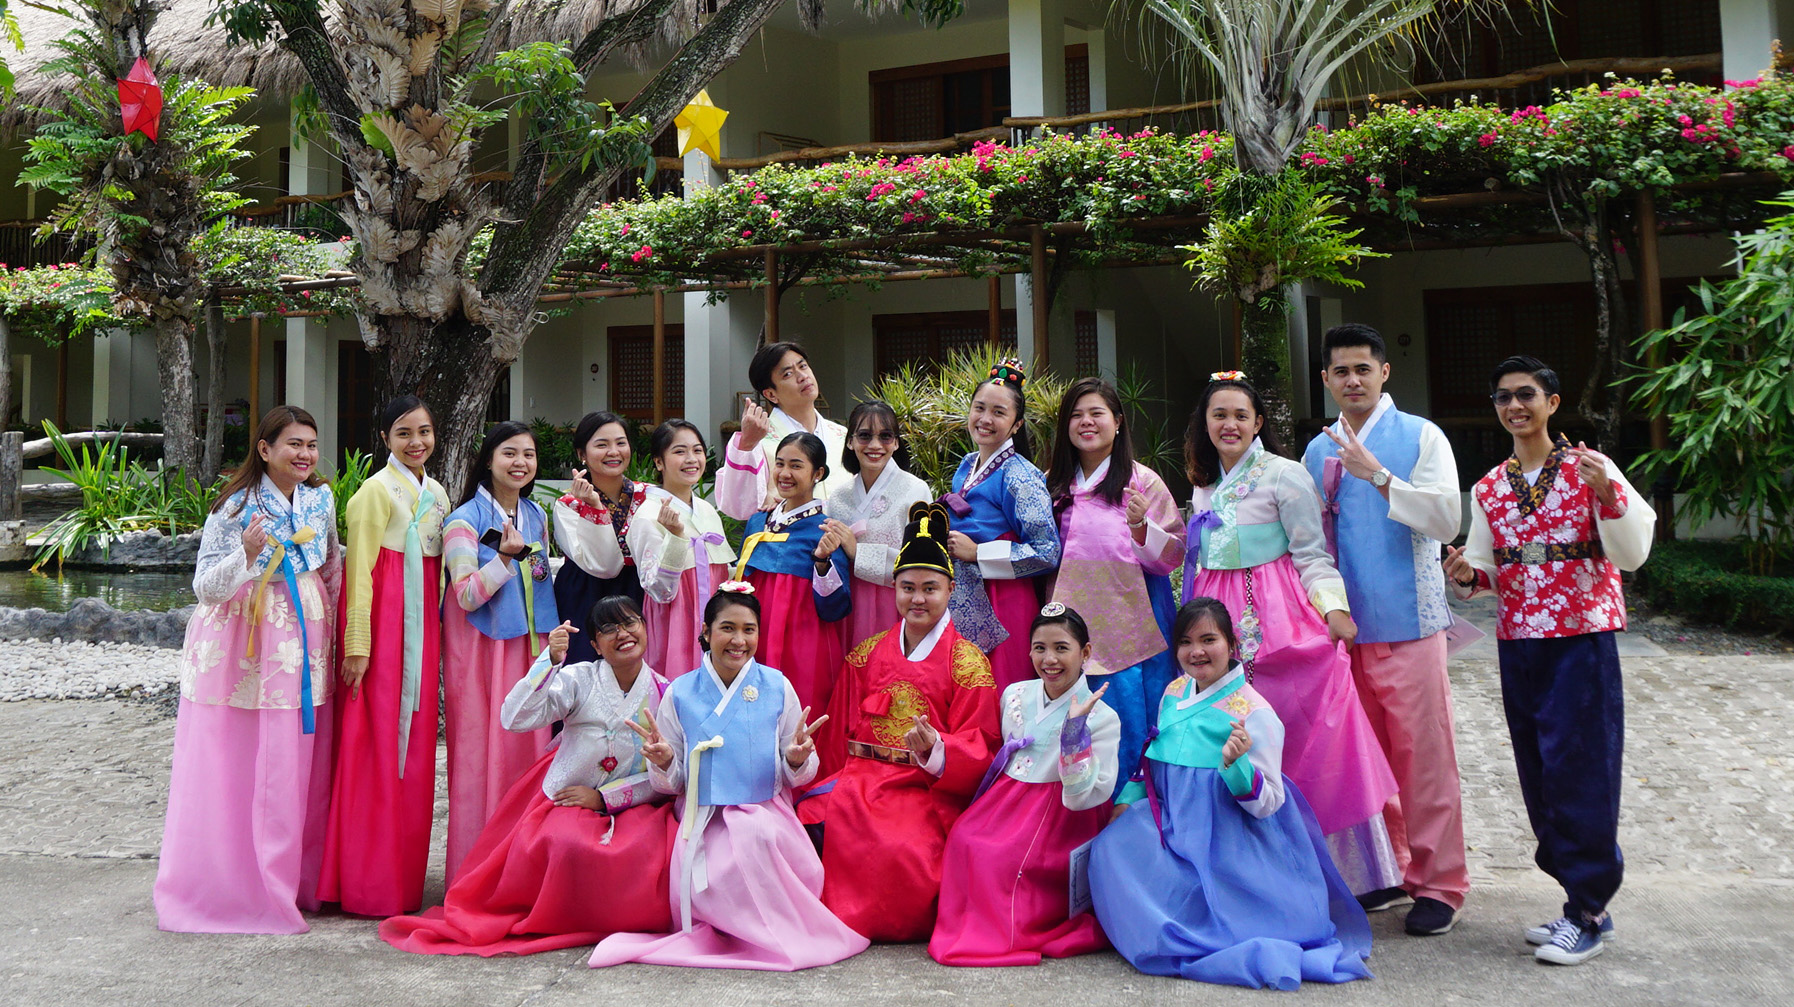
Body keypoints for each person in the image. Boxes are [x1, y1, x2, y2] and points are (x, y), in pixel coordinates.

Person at [1443, 355, 1654, 966]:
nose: (1515, 406)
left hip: (1582, 641)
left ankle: (1585, 911)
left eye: (1527, 394)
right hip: (1520, 644)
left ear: (1552, 403)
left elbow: (1633, 550)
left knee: (1580, 768)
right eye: (1504, 396)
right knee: (1538, 770)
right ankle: (1582, 900)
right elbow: (1486, 567)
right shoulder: (1487, 486)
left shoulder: (1590, 468)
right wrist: (1467, 575)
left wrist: (1606, 490)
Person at [1179, 372, 1400, 898]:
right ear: (1205, 423)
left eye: (1240, 415)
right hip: (1216, 618)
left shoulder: (1284, 475)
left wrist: (1334, 611)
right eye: (1219, 415)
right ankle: (1251, 870)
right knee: (1229, 738)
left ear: (1258, 423)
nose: (1229, 424)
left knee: (1303, 733)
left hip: (1276, 616)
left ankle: (1347, 873)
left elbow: (1312, 554)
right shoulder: (1203, 484)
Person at [1089, 598, 1374, 990]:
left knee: (1227, 916)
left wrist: (1236, 766)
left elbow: (1269, 802)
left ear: (1232, 645)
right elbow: (1153, 754)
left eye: (1209, 639)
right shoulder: (1175, 690)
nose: (1197, 651)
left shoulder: (1254, 712)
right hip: (1173, 821)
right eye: (1186, 642)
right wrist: (1127, 799)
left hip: (1227, 838)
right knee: (1110, 848)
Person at [587, 585, 870, 971]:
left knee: (759, 839)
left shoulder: (776, 685)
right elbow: (670, 784)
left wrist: (797, 757)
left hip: (765, 811)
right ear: (706, 631)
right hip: (703, 818)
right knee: (722, 864)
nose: (739, 641)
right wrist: (666, 760)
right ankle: (728, 932)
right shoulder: (680, 692)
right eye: (728, 628)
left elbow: (797, 772)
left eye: (749, 630)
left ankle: (766, 934)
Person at [379, 597, 678, 956]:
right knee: (562, 843)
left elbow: (669, 775)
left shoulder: (665, 692)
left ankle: (617, 918)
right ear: (595, 645)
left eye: (630, 623)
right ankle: (562, 917)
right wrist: (549, 662)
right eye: (609, 629)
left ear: (645, 629)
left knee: (651, 853)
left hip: (634, 801)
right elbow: (514, 718)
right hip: (566, 796)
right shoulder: (578, 679)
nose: (623, 634)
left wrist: (604, 799)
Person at [1301, 323, 1470, 936]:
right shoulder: (1316, 451)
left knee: (1425, 759)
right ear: (1325, 379)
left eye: (1362, 369)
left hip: (1410, 623)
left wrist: (1378, 475)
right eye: (1340, 371)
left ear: (1383, 374)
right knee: (1363, 760)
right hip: (1345, 632)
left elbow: (1448, 515)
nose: (1352, 380)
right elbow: (1310, 542)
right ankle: (1388, 869)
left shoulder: (1422, 436)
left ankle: (1441, 884)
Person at [154, 406, 340, 934]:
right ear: (264, 449)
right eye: (293, 444)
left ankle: (293, 879)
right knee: (237, 758)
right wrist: (245, 552)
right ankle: (233, 883)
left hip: (304, 633)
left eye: (311, 444)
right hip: (245, 632)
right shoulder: (234, 507)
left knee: (295, 757)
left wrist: (343, 635)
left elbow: (329, 567)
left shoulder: (320, 498)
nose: (305, 454)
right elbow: (206, 588)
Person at [797, 502, 1002, 942]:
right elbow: (835, 740)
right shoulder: (867, 653)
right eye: (908, 587)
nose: (918, 598)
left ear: (950, 591)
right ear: (894, 590)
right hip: (859, 779)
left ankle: (884, 921)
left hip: (924, 788)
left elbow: (981, 744)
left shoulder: (968, 662)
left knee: (902, 846)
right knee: (805, 818)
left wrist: (937, 750)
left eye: (930, 588)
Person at [929, 603, 1119, 966]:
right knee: (964, 837)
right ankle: (968, 928)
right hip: (1009, 797)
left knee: (1001, 858)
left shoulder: (1104, 717)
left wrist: (1076, 732)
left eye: (1062, 648)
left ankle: (1006, 934)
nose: (1049, 659)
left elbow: (1085, 797)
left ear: (1086, 653)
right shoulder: (1015, 694)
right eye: (1039, 647)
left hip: (1059, 814)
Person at [318, 395, 450, 917]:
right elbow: (360, 570)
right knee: (372, 742)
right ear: (384, 439)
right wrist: (357, 644)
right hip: (384, 626)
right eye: (404, 433)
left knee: (415, 746)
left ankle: (402, 881)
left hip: (424, 628)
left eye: (424, 431)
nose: (416, 442)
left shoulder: (436, 492)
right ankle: (364, 881)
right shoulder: (375, 491)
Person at [1044, 376, 1185, 778]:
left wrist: (1141, 527)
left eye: (1096, 413)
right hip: (1065, 623)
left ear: (1118, 421)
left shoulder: (1142, 481)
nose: (1086, 423)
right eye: (1076, 415)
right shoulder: (1052, 483)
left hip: (1130, 624)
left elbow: (1174, 552)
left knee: (1130, 731)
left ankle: (1135, 813)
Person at [440, 421, 561, 881]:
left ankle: (522, 868)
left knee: (525, 752)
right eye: (510, 453)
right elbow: (466, 594)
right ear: (488, 460)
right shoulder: (462, 521)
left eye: (528, 455)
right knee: (479, 754)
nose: (520, 463)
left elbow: (541, 581)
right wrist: (505, 560)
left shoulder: (535, 517)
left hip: (529, 648)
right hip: (480, 653)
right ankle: (475, 871)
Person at [943, 358, 1061, 690]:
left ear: (1016, 424)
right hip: (964, 590)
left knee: (1002, 688)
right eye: (979, 408)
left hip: (1003, 599)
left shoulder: (1020, 475)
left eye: (999, 412)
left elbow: (1046, 550)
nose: (985, 419)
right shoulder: (966, 465)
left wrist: (978, 552)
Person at [733, 431, 852, 714]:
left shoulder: (826, 529)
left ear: (818, 473)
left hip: (803, 643)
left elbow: (837, 607)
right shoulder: (758, 522)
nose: (785, 473)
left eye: (796, 466)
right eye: (780, 463)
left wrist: (822, 562)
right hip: (754, 635)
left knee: (798, 712)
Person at [628, 419, 736, 679]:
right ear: (659, 462)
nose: (691, 459)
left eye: (697, 450)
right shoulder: (647, 515)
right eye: (679, 451)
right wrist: (676, 538)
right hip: (675, 621)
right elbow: (659, 590)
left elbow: (721, 573)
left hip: (715, 619)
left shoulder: (707, 510)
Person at [821, 400, 933, 649]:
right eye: (864, 436)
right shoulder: (839, 497)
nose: (874, 445)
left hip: (896, 604)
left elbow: (923, 560)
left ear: (895, 442)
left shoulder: (916, 490)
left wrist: (858, 551)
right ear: (850, 441)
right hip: (848, 607)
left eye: (885, 436)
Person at [553, 411, 647, 666]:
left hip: (637, 592)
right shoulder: (568, 505)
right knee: (583, 671)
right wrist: (594, 507)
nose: (613, 451)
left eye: (620, 443)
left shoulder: (648, 496)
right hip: (585, 592)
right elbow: (603, 565)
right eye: (602, 445)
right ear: (582, 454)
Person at [717, 340, 850, 518]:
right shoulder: (758, 442)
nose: (803, 376)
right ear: (771, 394)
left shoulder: (842, 435)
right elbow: (737, 507)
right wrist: (747, 444)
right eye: (788, 374)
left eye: (803, 366)